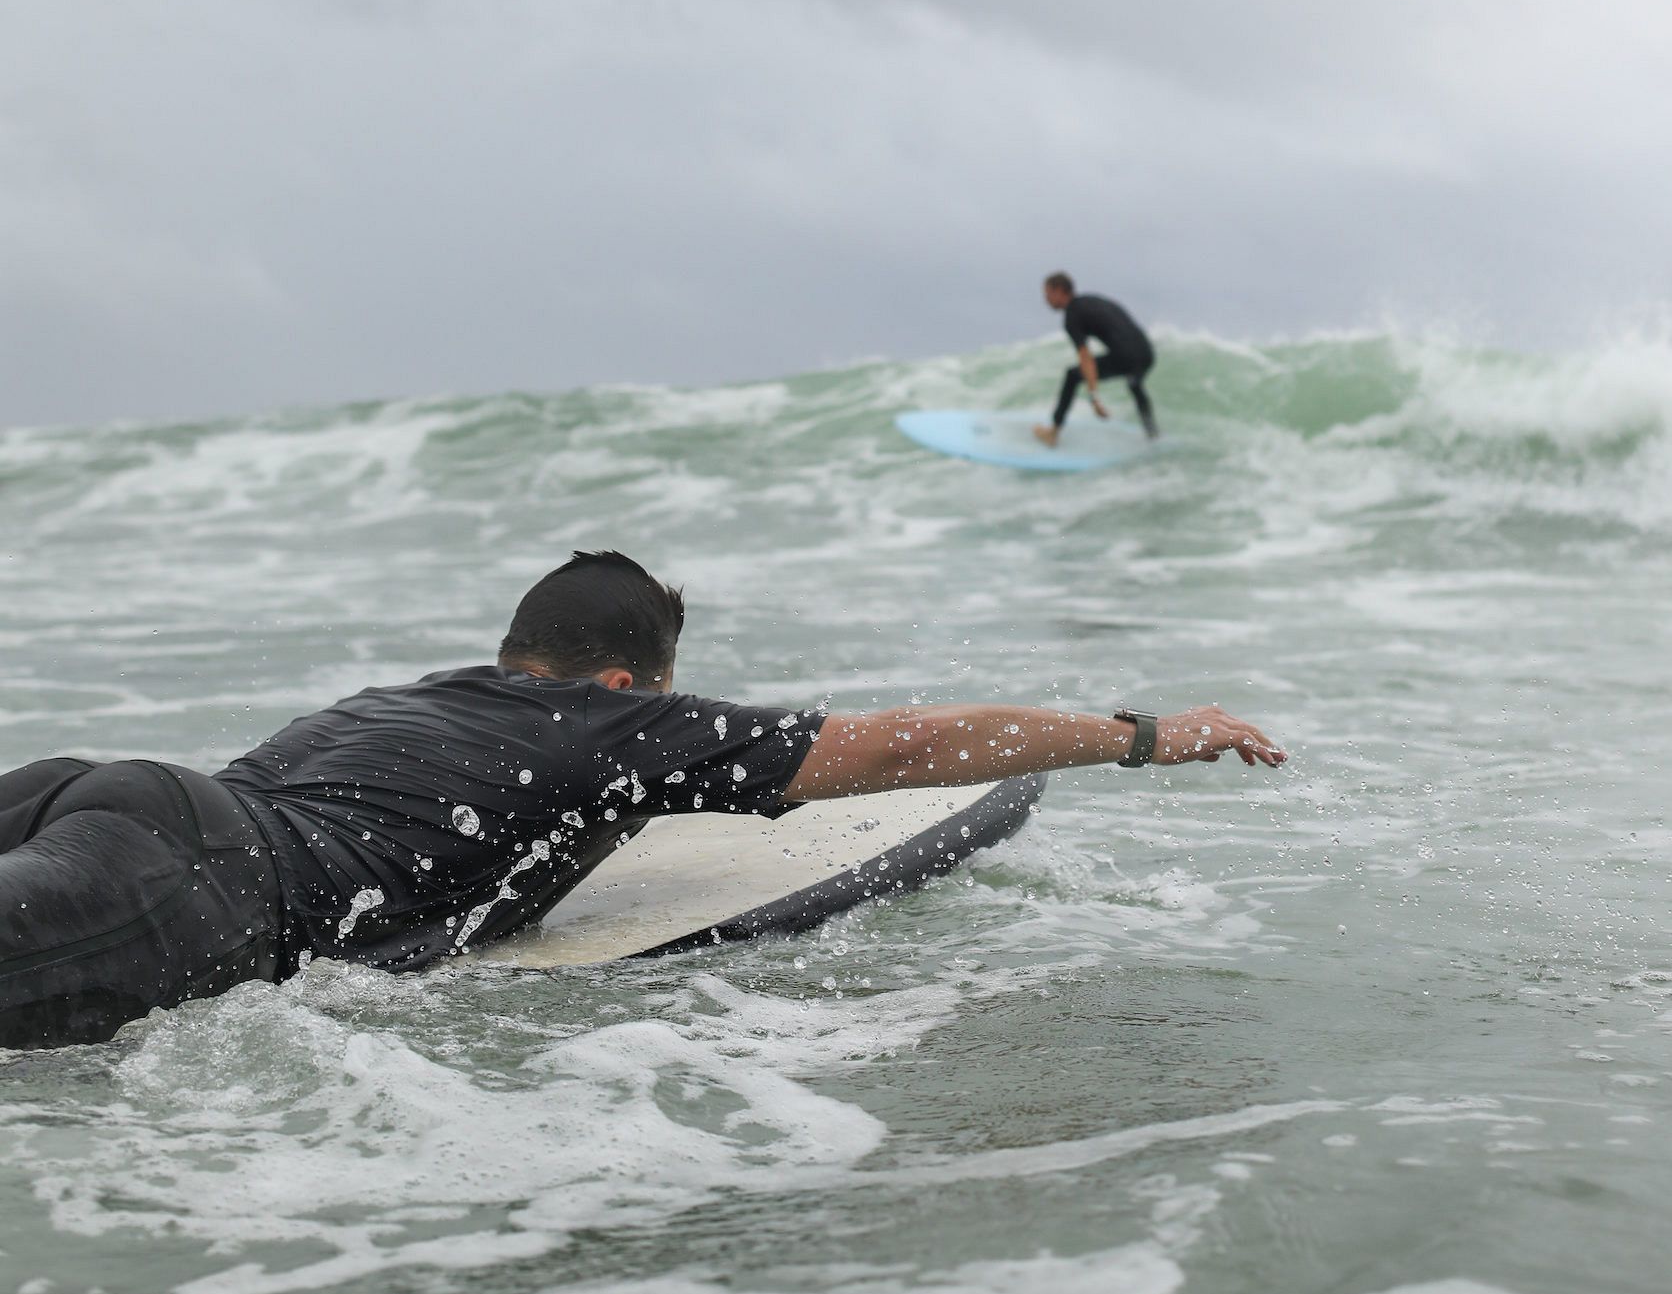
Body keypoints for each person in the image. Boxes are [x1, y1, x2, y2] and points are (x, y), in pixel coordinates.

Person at [0, 551, 1283, 1049]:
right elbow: (898, 748)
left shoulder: (404, 702)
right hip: (198, 879)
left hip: (108, 789)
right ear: (628, 681)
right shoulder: (613, 725)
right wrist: (1146, 735)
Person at [1033, 271, 1159, 446]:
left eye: (1047, 294)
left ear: (1060, 291)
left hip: (1125, 356)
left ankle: (1053, 432)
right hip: (1146, 352)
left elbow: (1086, 358)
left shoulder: (1072, 316)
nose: (1046, 299)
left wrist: (1094, 397)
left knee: (1073, 375)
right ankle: (1152, 432)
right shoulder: (1092, 300)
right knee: (1135, 384)